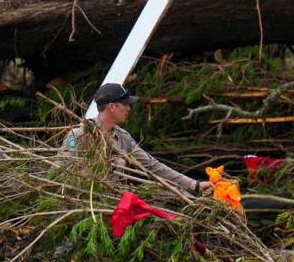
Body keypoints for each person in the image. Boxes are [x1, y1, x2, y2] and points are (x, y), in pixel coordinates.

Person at [61, 83, 212, 195]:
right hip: (83, 205)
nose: (129, 108)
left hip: (111, 205)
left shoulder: (122, 137)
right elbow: (59, 171)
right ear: (112, 106)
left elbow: (152, 165)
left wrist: (194, 185)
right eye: (125, 104)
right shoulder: (79, 135)